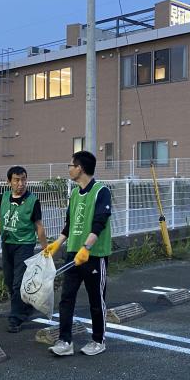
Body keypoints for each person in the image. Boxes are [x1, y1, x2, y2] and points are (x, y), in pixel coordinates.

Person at [43, 151, 112, 357]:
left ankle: (98, 341)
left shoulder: (101, 191)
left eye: (71, 166)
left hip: (94, 255)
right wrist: (57, 243)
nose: (69, 169)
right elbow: (69, 224)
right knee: (66, 298)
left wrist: (87, 247)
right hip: (73, 254)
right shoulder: (74, 193)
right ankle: (65, 341)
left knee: (96, 300)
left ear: (80, 168)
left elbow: (100, 222)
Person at [0, 166, 48, 333]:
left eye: (23, 180)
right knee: (9, 280)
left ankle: (15, 319)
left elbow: (39, 226)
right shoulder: (4, 197)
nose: (21, 184)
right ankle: (26, 307)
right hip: (7, 243)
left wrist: (45, 249)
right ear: (9, 182)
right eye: (17, 180)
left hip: (25, 245)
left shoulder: (33, 201)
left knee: (18, 282)